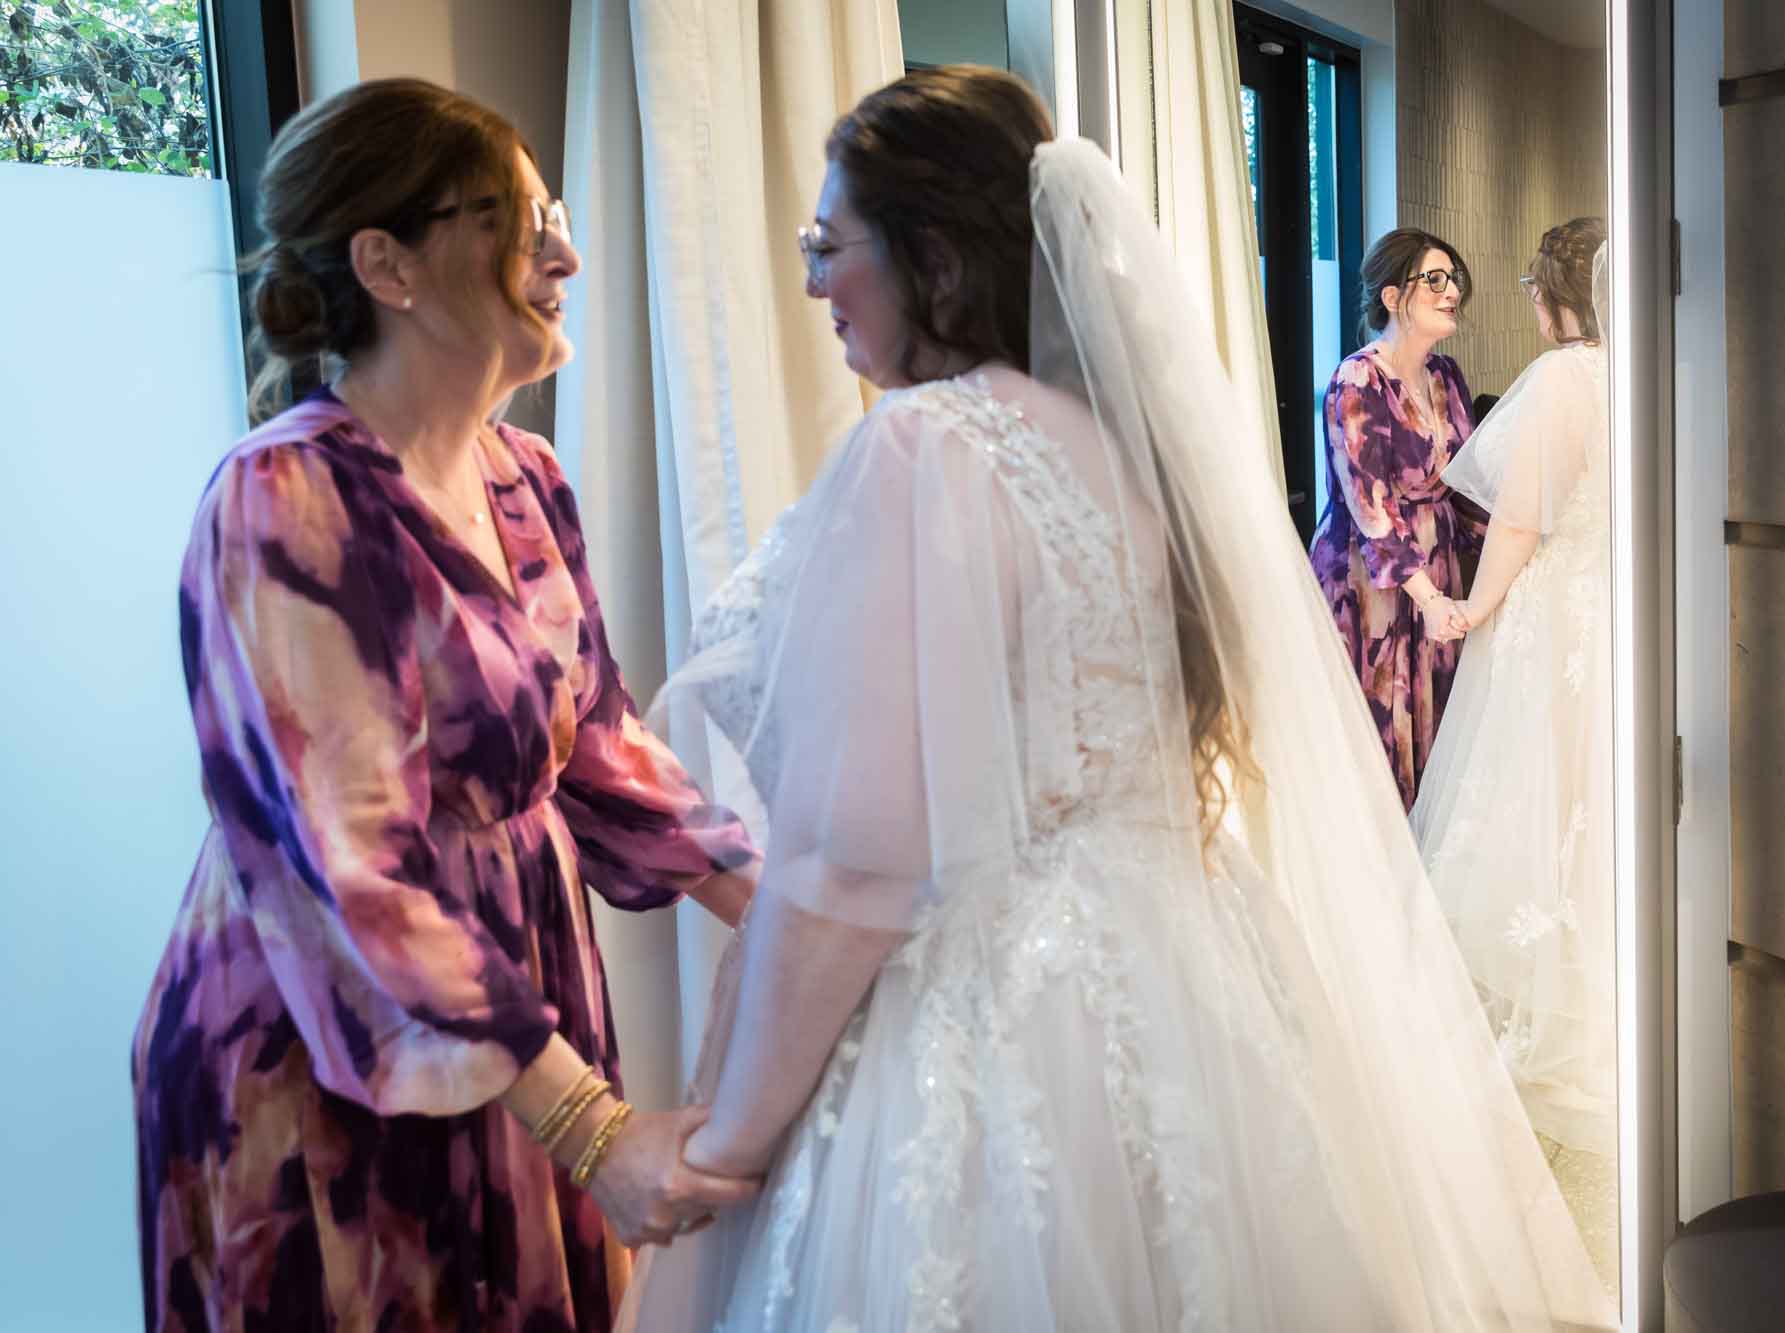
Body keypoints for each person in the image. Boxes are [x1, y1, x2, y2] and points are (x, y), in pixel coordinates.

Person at [614, 67, 1611, 1332]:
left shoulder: (925, 447)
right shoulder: (1127, 466)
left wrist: (731, 1136)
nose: (814, 280)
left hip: (991, 1015)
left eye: (829, 243)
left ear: (929, 255)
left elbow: (856, 859)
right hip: (1181, 974)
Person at [131, 79, 761, 1333]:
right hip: (328, 1056)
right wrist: (592, 1128)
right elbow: (352, 866)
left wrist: (793, 913)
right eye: (524, 225)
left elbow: (600, 750)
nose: (564, 253)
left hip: (514, 1025)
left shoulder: (524, 475)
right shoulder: (282, 500)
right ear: (388, 264)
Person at [1411, 218, 1617, 1280]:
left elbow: (1518, 519)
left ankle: (1550, 992)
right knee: (1594, 804)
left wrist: (1470, 610)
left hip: (1550, 620)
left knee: (1532, 802)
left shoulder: (1560, 378)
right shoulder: (1648, 369)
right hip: (1616, 618)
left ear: (1548, 299)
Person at [1308, 229, 1482, 809]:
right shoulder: (1357, 380)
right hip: (1371, 582)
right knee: (1379, 728)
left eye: (1452, 278)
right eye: (1433, 279)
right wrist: (1429, 600)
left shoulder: (1445, 376)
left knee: (1436, 724)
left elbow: (1465, 484)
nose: (1450, 289)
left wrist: (1514, 556)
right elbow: (1370, 507)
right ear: (1391, 297)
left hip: (1436, 569)